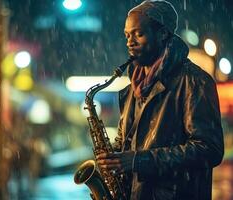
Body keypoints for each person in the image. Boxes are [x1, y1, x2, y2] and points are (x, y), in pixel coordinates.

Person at [96, 0, 224, 199]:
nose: (130, 41)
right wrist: (112, 158)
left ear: (163, 34)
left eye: (139, 34)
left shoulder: (194, 81)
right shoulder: (131, 89)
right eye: (127, 35)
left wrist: (139, 161)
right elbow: (126, 142)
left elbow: (209, 149)